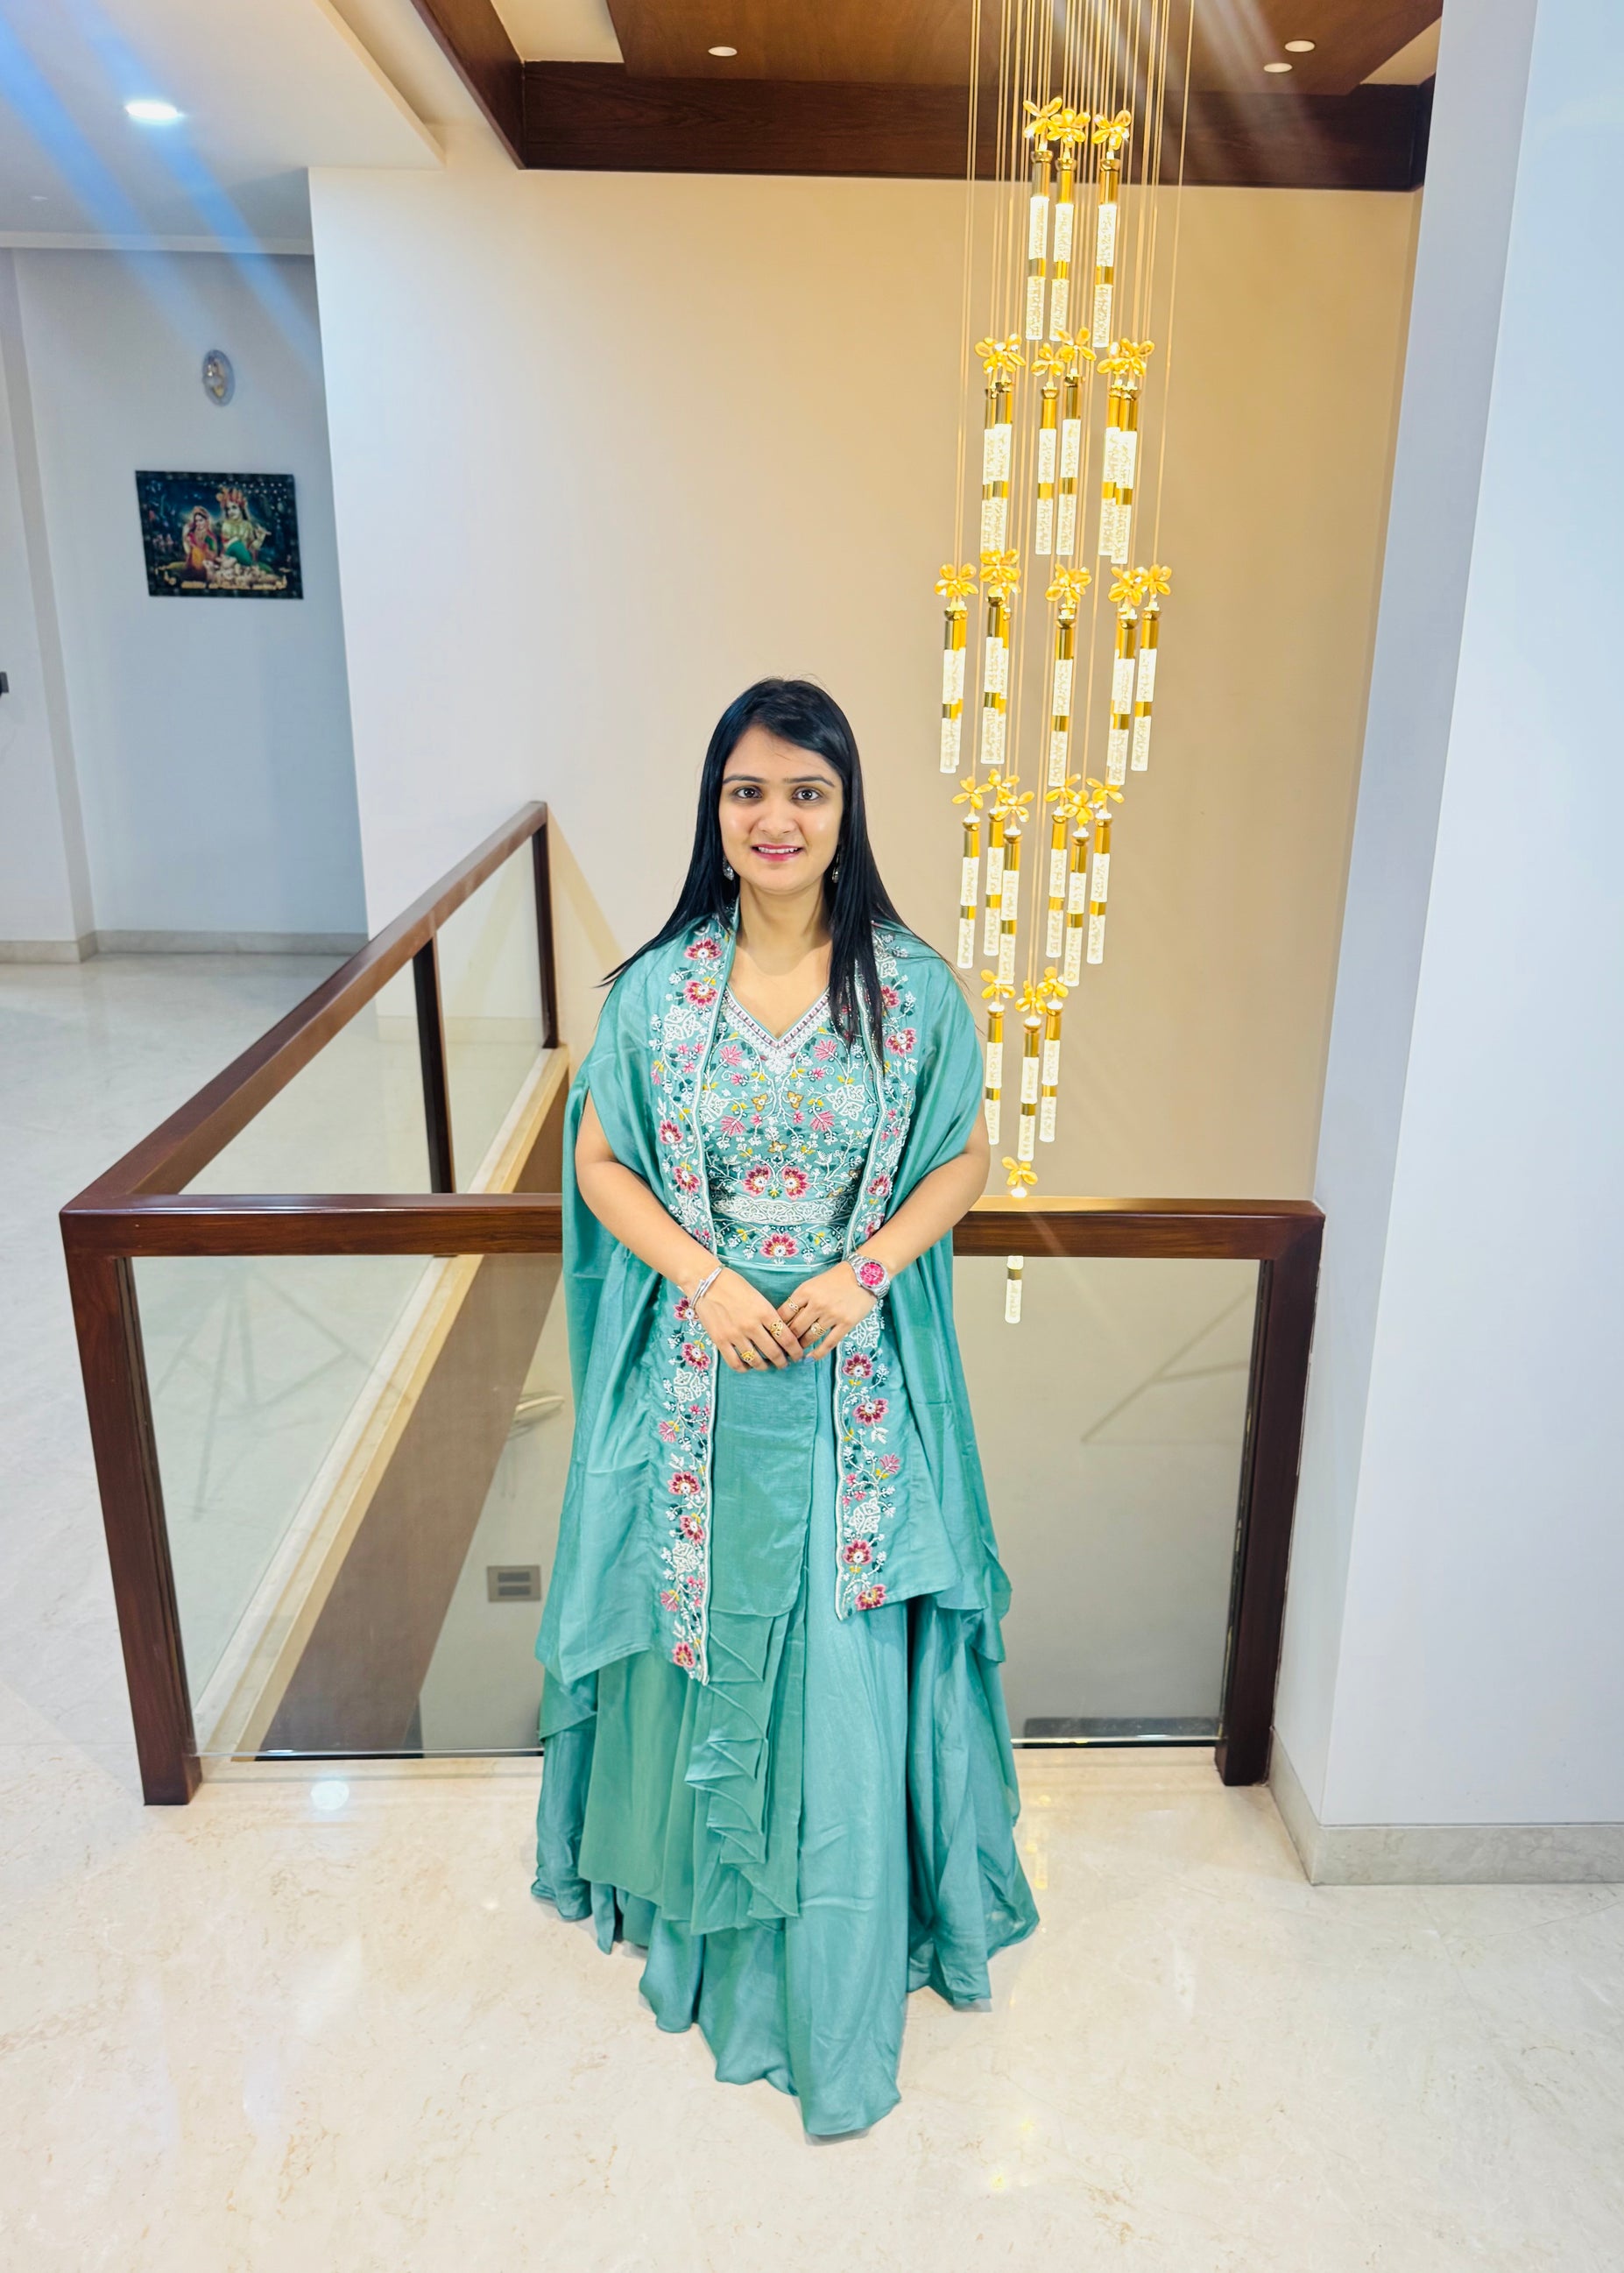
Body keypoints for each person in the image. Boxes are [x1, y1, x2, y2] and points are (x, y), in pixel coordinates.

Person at [531, 678, 1036, 2135]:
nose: (775, 818)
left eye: (805, 792)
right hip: (699, 1388)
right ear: (716, 809)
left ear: (844, 810)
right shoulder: (655, 992)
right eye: (748, 790)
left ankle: (836, 1957)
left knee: (838, 1666)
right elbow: (602, 1163)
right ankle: (709, 1939)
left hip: (849, 1392)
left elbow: (962, 1158)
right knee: (699, 1645)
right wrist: (702, 1280)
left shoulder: (913, 990)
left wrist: (864, 1272)